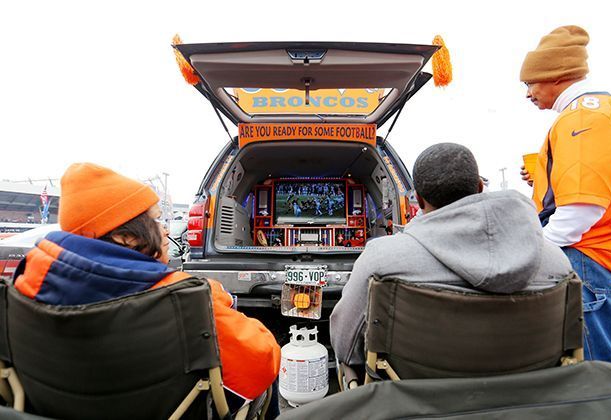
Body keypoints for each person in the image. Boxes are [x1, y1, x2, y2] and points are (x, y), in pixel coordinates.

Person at [13, 163, 280, 416]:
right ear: (124, 237)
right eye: (154, 221)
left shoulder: (24, 284)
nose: (165, 230)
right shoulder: (187, 299)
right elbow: (263, 360)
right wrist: (215, 298)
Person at [330, 143, 573, 367]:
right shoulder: (556, 261)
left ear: (420, 200)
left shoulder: (381, 259)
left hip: (412, 399)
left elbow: (345, 347)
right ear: (479, 187)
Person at [519, 25, 611, 362]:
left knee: (600, 382)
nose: (528, 93)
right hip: (602, 262)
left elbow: (581, 207)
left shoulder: (584, 117)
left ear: (556, 76)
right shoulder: (597, 111)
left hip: (592, 263)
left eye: (530, 83)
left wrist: (537, 250)